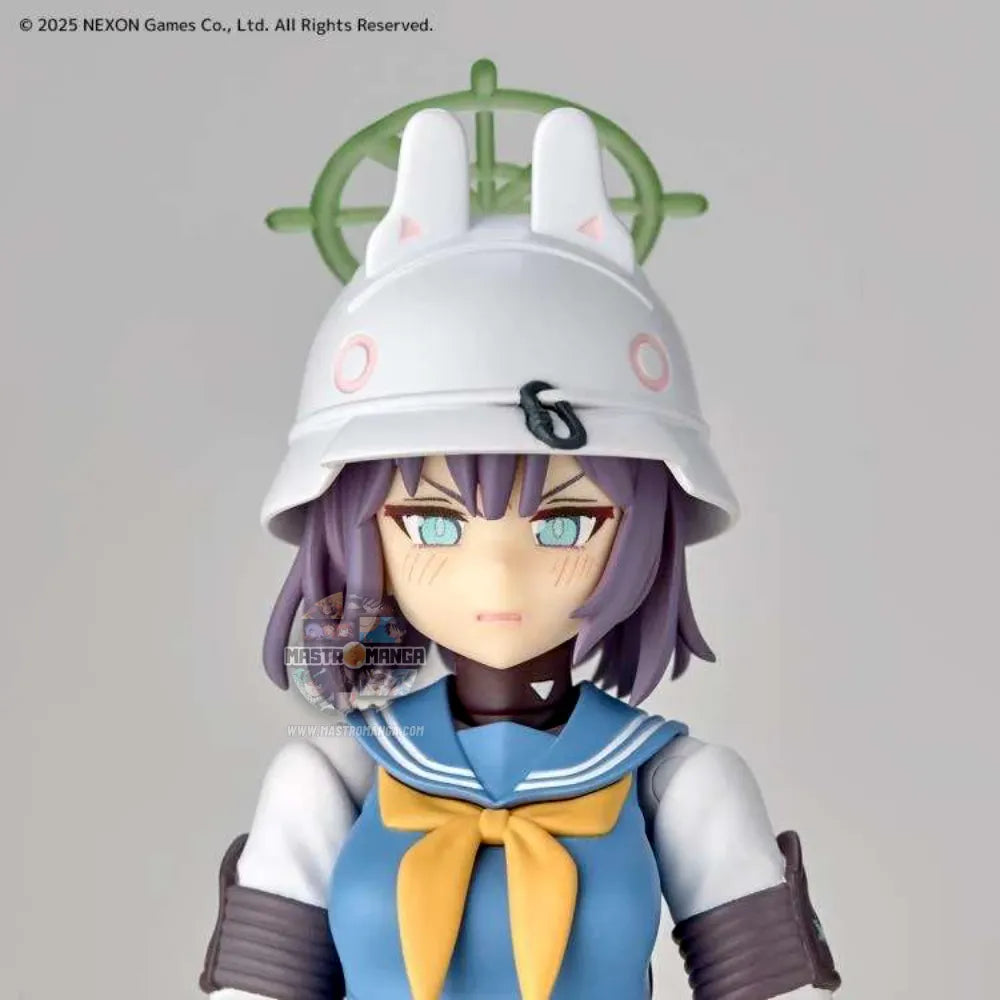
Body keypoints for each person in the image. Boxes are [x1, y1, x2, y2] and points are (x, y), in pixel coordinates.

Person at [199, 109, 841, 1000]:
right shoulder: (333, 777)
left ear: (648, 523)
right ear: (352, 526)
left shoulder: (677, 784)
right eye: (432, 524)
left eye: (564, 524)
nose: (498, 573)